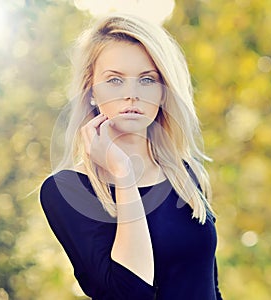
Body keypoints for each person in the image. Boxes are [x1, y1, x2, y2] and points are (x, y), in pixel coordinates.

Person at [40, 13, 223, 299]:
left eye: (147, 80)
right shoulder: (67, 190)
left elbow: (210, 287)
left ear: (163, 93)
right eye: (114, 80)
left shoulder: (186, 173)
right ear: (91, 90)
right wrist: (123, 175)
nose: (132, 95)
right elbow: (131, 293)